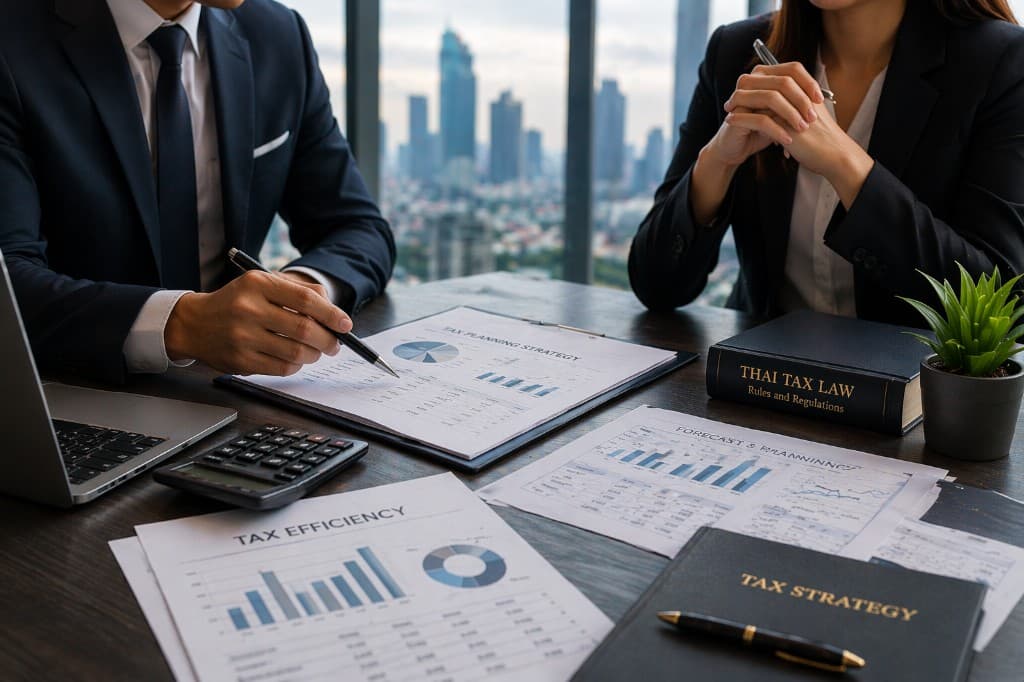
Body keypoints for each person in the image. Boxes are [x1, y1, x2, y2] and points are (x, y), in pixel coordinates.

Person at [0, 0, 395, 383]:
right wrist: (181, 324)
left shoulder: (277, 35)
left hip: (232, 391)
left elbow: (358, 226)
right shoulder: (13, 39)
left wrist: (299, 293)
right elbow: (9, 281)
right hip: (63, 397)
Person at [629, 0, 1024, 326]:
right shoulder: (736, 52)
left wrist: (846, 164)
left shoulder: (999, 63)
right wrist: (717, 162)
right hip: (760, 383)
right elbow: (656, 286)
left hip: (917, 403)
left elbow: (1001, 307)